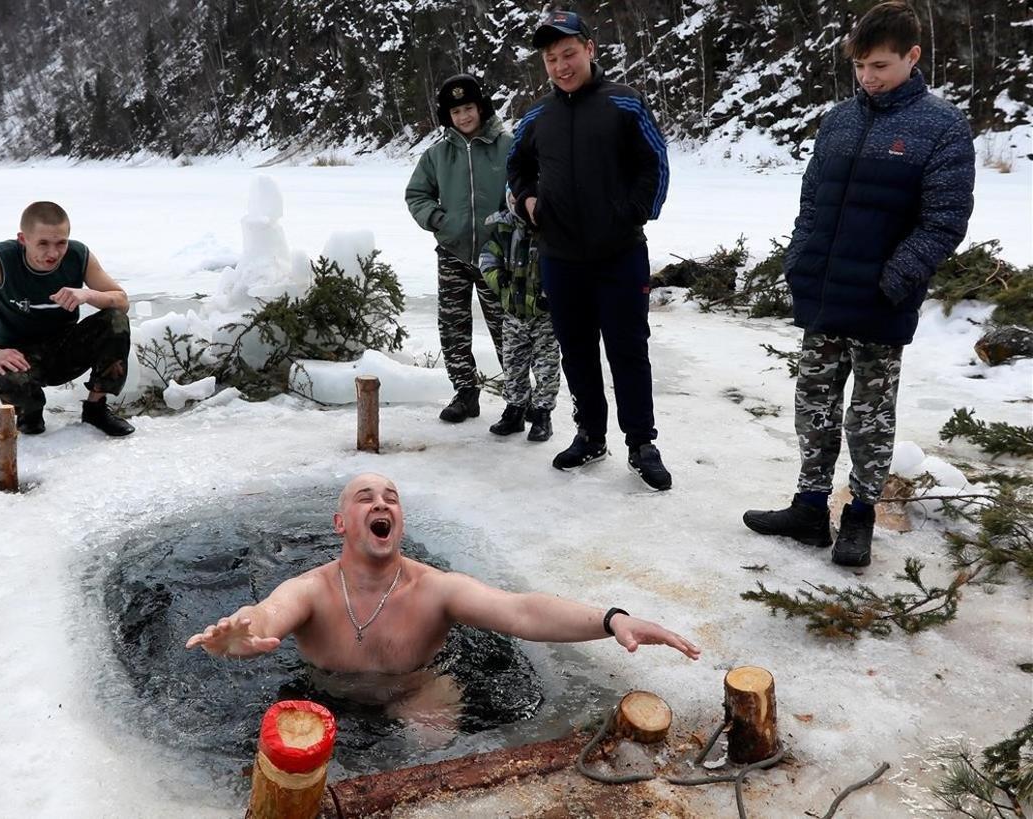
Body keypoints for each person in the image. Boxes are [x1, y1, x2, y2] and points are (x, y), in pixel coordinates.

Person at [743, 1, 975, 567]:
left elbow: (943, 220)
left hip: (880, 303)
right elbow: (811, 201)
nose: (869, 78)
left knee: (869, 417)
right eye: (860, 67)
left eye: (881, 66)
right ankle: (809, 506)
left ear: (912, 56)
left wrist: (892, 281)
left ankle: (860, 517)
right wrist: (800, 259)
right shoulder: (839, 121)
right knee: (814, 407)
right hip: (824, 293)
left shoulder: (941, 127)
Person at [185, 473, 700, 678]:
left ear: (399, 521)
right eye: (366, 498)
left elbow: (520, 611)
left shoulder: (436, 590)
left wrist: (612, 620)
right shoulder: (312, 590)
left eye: (391, 498)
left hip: (419, 692)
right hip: (324, 692)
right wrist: (246, 632)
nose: (381, 503)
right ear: (342, 523)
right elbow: (272, 611)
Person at [507, 10, 674, 490]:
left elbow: (655, 165)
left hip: (619, 254)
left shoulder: (626, 104)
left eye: (569, 54)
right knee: (577, 351)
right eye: (551, 58)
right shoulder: (538, 116)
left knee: (627, 349)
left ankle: (642, 443)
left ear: (590, 50)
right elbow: (516, 167)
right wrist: (528, 202)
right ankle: (590, 434)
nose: (561, 65)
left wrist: (633, 214)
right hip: (560, 256)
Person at [0, 201, 135, 437]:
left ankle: (96, 409)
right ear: (23, 239)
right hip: (19, 355)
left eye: (61, 243)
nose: (53, 253)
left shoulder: (79, 255)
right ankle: (29, 414)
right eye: (43, 243)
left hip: (65, 347)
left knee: (115, 320)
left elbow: (121, 300)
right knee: (16, 394)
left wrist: (89, 294)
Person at [406, 74, 510, 424]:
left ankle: (518, 396)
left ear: (481, 108)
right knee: (453, 325)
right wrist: (439, 220)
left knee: (505, 327)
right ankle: (465, 392)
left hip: (497, 255)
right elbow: (417, 194)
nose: (463, 117)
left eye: (468, 108)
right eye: (456, 112)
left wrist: (509, 226)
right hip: (452, 252)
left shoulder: (507, 145)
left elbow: (525, 187)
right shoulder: (436, 155)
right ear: (447, 117)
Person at [479, 191, 561, 442]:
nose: (517, 206)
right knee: (513, 365)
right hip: (513, 313)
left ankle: (542, 414)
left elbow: (563, 264)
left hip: (544, 315)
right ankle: (514, 411)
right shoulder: (502, 228)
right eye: (511, 200)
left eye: (521, 201)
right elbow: (486, 258)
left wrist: (553, 291)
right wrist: (497, 278)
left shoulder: (551, 227)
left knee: (546, 366)